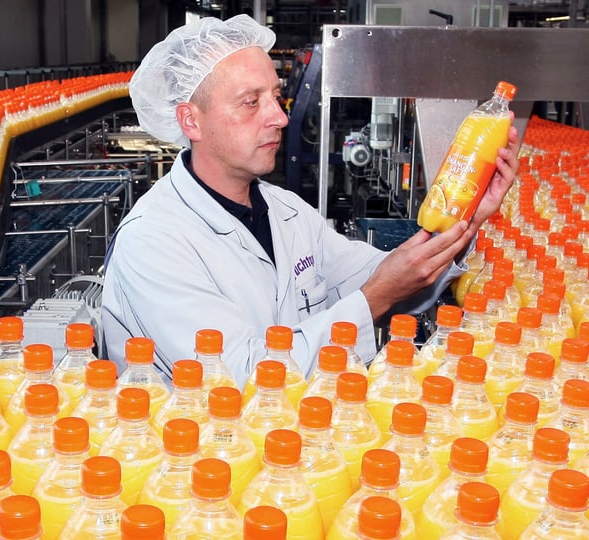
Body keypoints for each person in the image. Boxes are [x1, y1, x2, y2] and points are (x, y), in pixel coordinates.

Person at [101, 15, 519, 386]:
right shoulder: (154, 241)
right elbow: (240, 380)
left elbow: (388, 276)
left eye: (275, 96)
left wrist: (464, 216)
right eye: (251, 102)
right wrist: (373, 298)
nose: (280, 117)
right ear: (191, 119)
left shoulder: (287, 211)